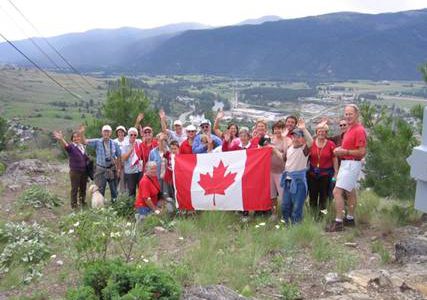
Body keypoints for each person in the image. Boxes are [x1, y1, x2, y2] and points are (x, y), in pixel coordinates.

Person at [326, 104, 367, 232]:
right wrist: (342, 151)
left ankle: (338, 222)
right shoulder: (350, 128)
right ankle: (349, 219)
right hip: (347, 163)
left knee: (336, 192)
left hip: (351, 163)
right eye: (346, 114)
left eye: (351, 114)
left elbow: (362, 152)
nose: (348, 116)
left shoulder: (359, 130)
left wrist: (344, 152)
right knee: (350, 191)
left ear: (357, 114)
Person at [280, 127, 311, 225]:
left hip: (299, 182)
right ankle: (286, 223)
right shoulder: (290, 148)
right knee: (285, 205)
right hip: (288, 182)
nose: (296, 139)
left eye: (298, 137)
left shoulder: (304, 150)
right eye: (294, 137)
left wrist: (304, 129)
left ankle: (296, 226)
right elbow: (284, 157)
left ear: (303, 138)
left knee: (297, 206)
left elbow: (311, 142)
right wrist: (284, 138)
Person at [84, 125, 122, 202]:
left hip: (112, 169)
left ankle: (115, 205)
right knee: (100, 189)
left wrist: (118, 169)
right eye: (105, 131)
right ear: (102, 132)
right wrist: (82, 133)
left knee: (114, 190)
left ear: (110, 133)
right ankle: (99, 206)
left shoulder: (114, 143)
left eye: (108, 132)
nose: (106, 133)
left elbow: (119, 156)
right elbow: (84, 141)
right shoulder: (97, 142)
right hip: (101, 169)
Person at [53, 128, 88, 209]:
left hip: (84, 171)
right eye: (74, 137)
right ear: (72, 139)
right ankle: (74, 205)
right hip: (75, 172)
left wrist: (82, 133)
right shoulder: (72, 147)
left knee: (83, 188)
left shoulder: (82, 146)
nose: (76, 138)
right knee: (75, 189)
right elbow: (66, 146)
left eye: (78, 137)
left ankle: (82, 202)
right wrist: (61, 139)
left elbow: (85, 154)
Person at [307, 123, 338, 214]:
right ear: (316, 132)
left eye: (323, 131)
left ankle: (321, 216)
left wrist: (336, 172)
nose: (321, 133)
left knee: (324, 196)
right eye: (319, 131)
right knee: (312, 195)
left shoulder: (331, 144)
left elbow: (334, 158)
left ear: (326, 133)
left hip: (326, 175)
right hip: (312, 174)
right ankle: (312, 214)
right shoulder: (311, 143)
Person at [270, 121, 290, 219]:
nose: (277, 130)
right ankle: (274, 214)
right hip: (270, 171)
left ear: (284, 129)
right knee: (272, 195)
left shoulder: (288, 140)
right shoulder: (270, 139)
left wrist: (284, 138)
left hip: (282, 172)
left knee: (283, 196)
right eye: (276, 128)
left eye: (280, 128)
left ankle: (285, 215)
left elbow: (287, 154)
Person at [121, 127, 142, 197]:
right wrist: (131, 149)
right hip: (130, 171)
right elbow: (123, 158)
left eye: (135, 135)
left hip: (139, 170)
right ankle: (131, 206)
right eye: (131, 135)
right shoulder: (124, 144)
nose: (133, 136)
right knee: (131, 191)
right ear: (128, 135)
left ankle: (141, 205)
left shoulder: (139, 142)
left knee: (141, 189)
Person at [114, 125, 127, 193]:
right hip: (117, 164)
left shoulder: (127, 140)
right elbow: (113, 154)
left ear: (124, 133)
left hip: (126, 163)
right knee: (116, 180)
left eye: (122, 132)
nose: (121, 133)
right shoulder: (114, 141)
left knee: (124, 181)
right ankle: (115, 195)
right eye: (119, 132)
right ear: (117, 133)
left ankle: (124, 195)